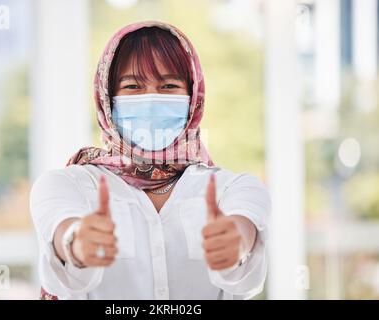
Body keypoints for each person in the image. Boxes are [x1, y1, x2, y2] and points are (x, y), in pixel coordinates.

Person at [30, 21, 271, 300]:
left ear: (193, 97)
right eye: (132, 86)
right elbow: (63, 233)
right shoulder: (66, 185)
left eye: (169, 85)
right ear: (107, 97)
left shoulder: (234, 188)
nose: (151, 99)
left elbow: (245, 231)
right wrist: (76, 243)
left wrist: (235, 241)